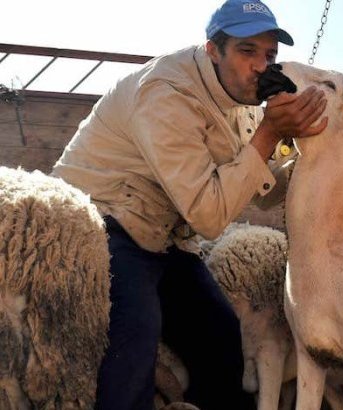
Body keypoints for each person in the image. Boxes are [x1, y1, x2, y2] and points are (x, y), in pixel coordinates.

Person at [51, 0, 327, 409]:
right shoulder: (166, 93)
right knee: (134, 342)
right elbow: (210, 216)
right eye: (246, 51)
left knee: (221, 338)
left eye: (269, 55)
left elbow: (260, 192)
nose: (260, 66)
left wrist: (310, 153)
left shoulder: (246, 102)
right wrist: (270, 132)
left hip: (167, 239)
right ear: (213, 50)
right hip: (103, 222)